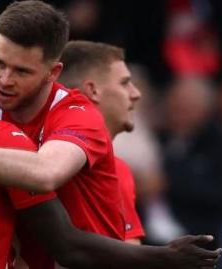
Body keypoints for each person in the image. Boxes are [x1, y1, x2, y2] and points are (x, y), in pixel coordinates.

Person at [0, 1, 221, 268]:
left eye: (22, 71)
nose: (4, 80)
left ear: (53, 72)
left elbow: (45, 173)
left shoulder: (77, 114)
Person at [58, 40, 144, 245]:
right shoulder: (113, 170)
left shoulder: (119, 169)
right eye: (124, 83)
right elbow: (130, 257)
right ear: (93, 90)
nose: (136, 94)